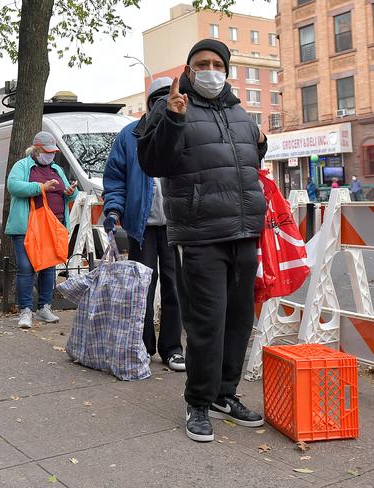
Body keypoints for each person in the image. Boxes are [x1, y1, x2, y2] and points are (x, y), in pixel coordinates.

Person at [138, 39, 267, 442]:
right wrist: (173, 120)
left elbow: (246, 165)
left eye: (216, 63)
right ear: (190, 70)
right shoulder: (172, 106)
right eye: (201, 63)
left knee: (238, 321)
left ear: (225, 70)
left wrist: (261, 143)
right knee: (207, 323)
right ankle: (198, 401)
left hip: (244, 232)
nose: (209, 69)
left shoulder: (241, 114)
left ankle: (224, 394)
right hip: (200, 233)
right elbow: (152, 163)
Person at [103, 77, 185, 372]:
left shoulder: (184, 129)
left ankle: (173, 347)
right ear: (149, 103)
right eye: (158, 99)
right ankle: (143, 343)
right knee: (143, 289)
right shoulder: (129, 135)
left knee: (176, 288)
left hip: (177, 225)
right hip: (142, 226)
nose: (163, 103)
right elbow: (114, 179)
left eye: (169, 97)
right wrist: (113, 210)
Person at [5, 131, 79, 329]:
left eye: (53, 152)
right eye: (47, 151)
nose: (51, 155)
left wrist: (70, 193)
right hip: (27, 226)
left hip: (53, 225)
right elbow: (13, 186)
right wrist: (41, 187)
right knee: (26, 267)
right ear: (36, 150)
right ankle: (25, 310)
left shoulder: (56, 168)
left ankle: (44, 307)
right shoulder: (22, 166)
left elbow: (67, 195)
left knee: (48, 266)